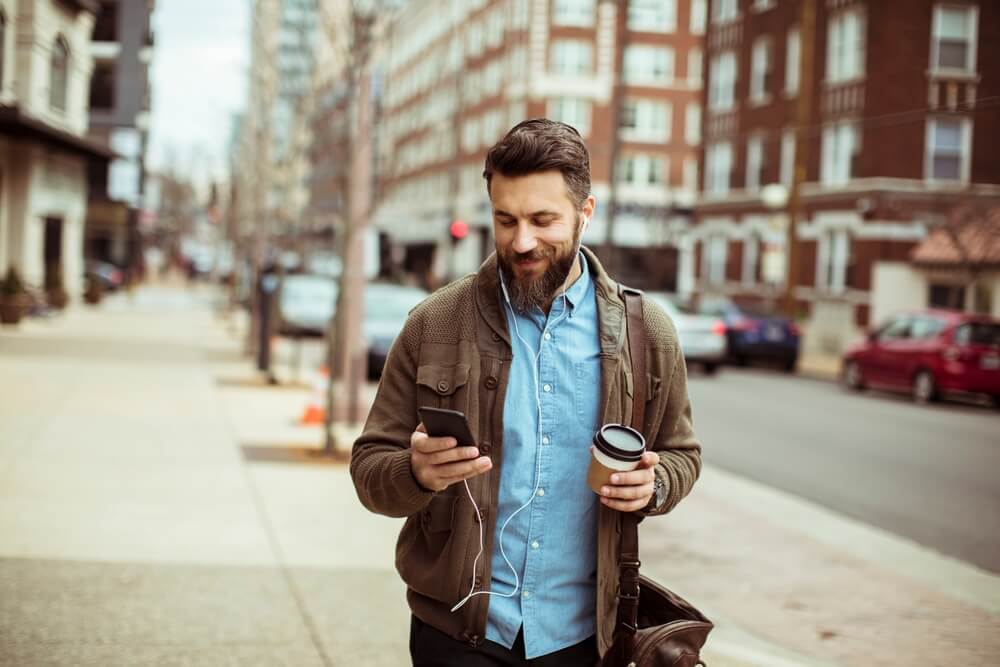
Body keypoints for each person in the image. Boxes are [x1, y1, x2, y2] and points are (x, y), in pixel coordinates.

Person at [351, 119, 702, 666]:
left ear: (585, 214)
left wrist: (653, 486)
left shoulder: (646, 332)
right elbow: (370, 469)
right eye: (505, 220)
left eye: (543, 220)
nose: (522, 241)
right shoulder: (434, 322)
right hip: (458, 633)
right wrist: (416, 473)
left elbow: (683, 455)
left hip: (585, 639)